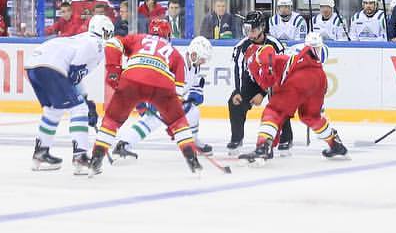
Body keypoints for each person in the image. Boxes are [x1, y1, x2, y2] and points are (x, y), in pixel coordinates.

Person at [89, 21, 204, 176]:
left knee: (111, 120)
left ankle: (96, 159)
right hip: (161, 84)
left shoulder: (137, 38)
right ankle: (192, 160)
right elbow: (177, 95)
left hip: (131, 78)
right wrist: (173, 123)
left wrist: (113, 69)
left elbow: (112, 43)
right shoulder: (175, 53)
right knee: (179, 122)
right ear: (168, 35)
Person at [240, 31, 348, 162]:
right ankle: (335, 143)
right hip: (319, 78)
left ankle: (262, 146)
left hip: (299, 76)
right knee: (311, 117)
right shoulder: (293, 53)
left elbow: (267, 55)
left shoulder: (259, 60)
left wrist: (268, 145)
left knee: (274, 111)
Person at [24, 15, 112, 172]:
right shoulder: (97, 44)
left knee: (53, 110)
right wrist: (87, 104)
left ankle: (40, 153)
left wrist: (85, 98)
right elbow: (74, 72)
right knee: (80, 109)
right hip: (52, 68)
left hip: (32, 66)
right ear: (106, 32)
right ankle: (80, 157)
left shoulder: (80, 38)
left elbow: (73, 76)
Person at [112, 31, 214, 158]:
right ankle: (123, 144)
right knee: (151, 121)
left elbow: (195, 83)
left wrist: (193, 96)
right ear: (194, 54)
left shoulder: (195, 66)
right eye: (202, 59)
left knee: (193, 111)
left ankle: (192, 141)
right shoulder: (175, 62)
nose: (203, 62)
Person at [227, 11, 293, 152]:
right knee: (234, 102)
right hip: (251, 81)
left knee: (280, 101)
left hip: (273, 81)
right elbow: (238, 68)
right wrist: (237, 91)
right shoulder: (241, 46)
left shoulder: (275, 45)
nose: (249, 33)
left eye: (253, 29)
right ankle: (236, 138)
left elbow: (281, 71)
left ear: (262, 28)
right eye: (247, 29)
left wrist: (263, 93)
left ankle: (286, 137)